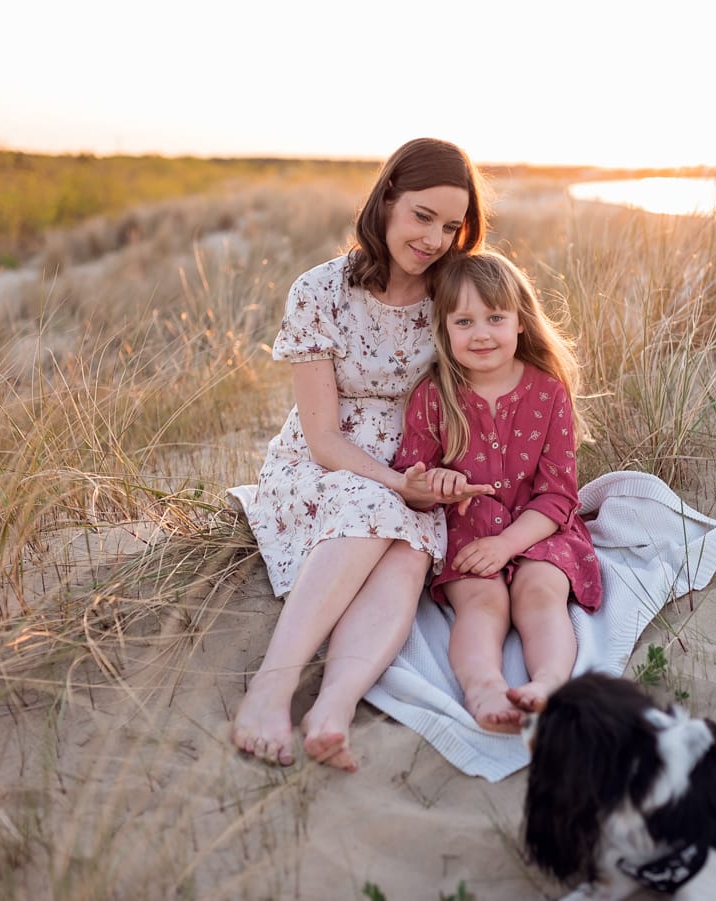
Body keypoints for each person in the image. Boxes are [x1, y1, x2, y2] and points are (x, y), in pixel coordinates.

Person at [230, 138, 495, 771]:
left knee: (408, 555)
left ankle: (333, 709)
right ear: (386, 204)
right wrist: (399, 484)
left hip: (416, 462)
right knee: (370, 501)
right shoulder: (321, 290)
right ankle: (271, 688)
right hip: (325, 463)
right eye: (421, 216)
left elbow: (506, 355)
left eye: (451, 226)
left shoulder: (451, 294)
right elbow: (323, 439)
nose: (434, 238)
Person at [393, 250, 602, 733]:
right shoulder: (434, 394)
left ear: (520, 323)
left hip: (539, 527)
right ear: (443, 330)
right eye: (463, 321)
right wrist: (434, 487)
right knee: (482, 603)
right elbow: (411, 483)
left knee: (540, 593)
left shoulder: (548, 392)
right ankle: (484, 688)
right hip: (469, 528)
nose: (481, 333)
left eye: (495, 317)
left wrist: (508, 545)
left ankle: (548, 684)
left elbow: (558, 494)